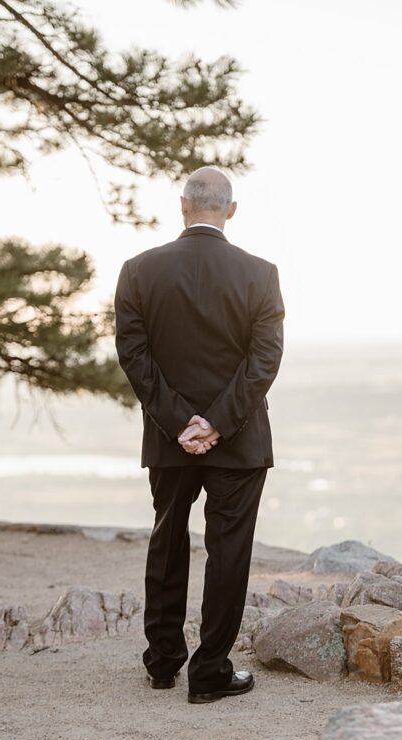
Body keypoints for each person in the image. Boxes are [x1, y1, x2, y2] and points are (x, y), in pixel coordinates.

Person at [114, 166, 284, 704]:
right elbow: (265, 360)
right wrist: (217, 422)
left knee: (167, 541)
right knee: (228, 552)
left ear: (183, 206)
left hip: (170, 439)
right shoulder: (261, 273)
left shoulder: (138, 271)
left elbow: (133, 355)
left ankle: (163, 663)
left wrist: (179, 422)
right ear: (230, 210)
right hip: (240, 439)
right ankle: (209, 672)